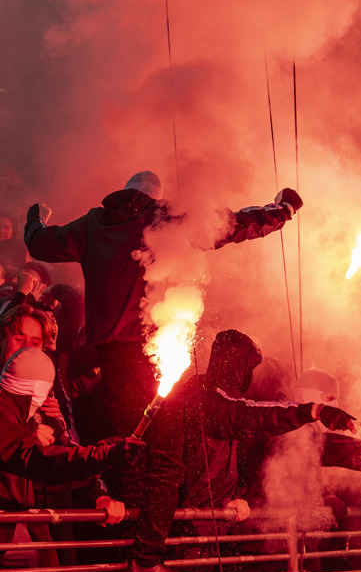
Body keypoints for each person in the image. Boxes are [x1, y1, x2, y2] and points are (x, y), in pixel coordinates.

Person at [24, 171, 303, 439]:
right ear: (156, 197)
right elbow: (232, 225)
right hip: (154, 344)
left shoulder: (93, 223)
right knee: (160, 432)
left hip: (109, 347)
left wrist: (36, 218)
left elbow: (40, 244)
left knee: (126, 429)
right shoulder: (165, 216)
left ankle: (124, 473)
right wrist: (282, 210)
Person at [124, 329, 354, 572]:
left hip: (212, 531)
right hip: (187, 536)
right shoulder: (206, 399)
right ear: (234, 364)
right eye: (247, 365)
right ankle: (145, 561)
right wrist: (312, 411)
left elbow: (233, 456)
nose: (250, 375)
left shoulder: (213, 398)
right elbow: (252, 416)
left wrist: (238, 494)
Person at [0, 348, 144, 572]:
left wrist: (105, 453)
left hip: (21, 523)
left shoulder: (20, 416)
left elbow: (57, 461)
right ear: (36, 390)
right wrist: (106, 454)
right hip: (10, 526)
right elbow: (40, 461)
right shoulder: (7, 417)